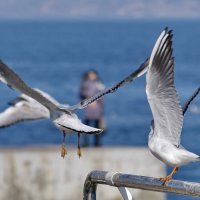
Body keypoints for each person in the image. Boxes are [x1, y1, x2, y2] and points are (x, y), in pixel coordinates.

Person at [80, 70, 106, 147]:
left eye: (93, 74)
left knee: (97, 127)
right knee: (86, 126)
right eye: (90, 74)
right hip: (88, 107)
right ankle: (85, 143)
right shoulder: (84, 83)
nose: (92, 76)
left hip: (97, 108)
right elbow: (82, 94)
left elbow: (102, 94)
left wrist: (99, 104)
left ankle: (97, 143)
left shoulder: (99, 83)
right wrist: (89, 101)